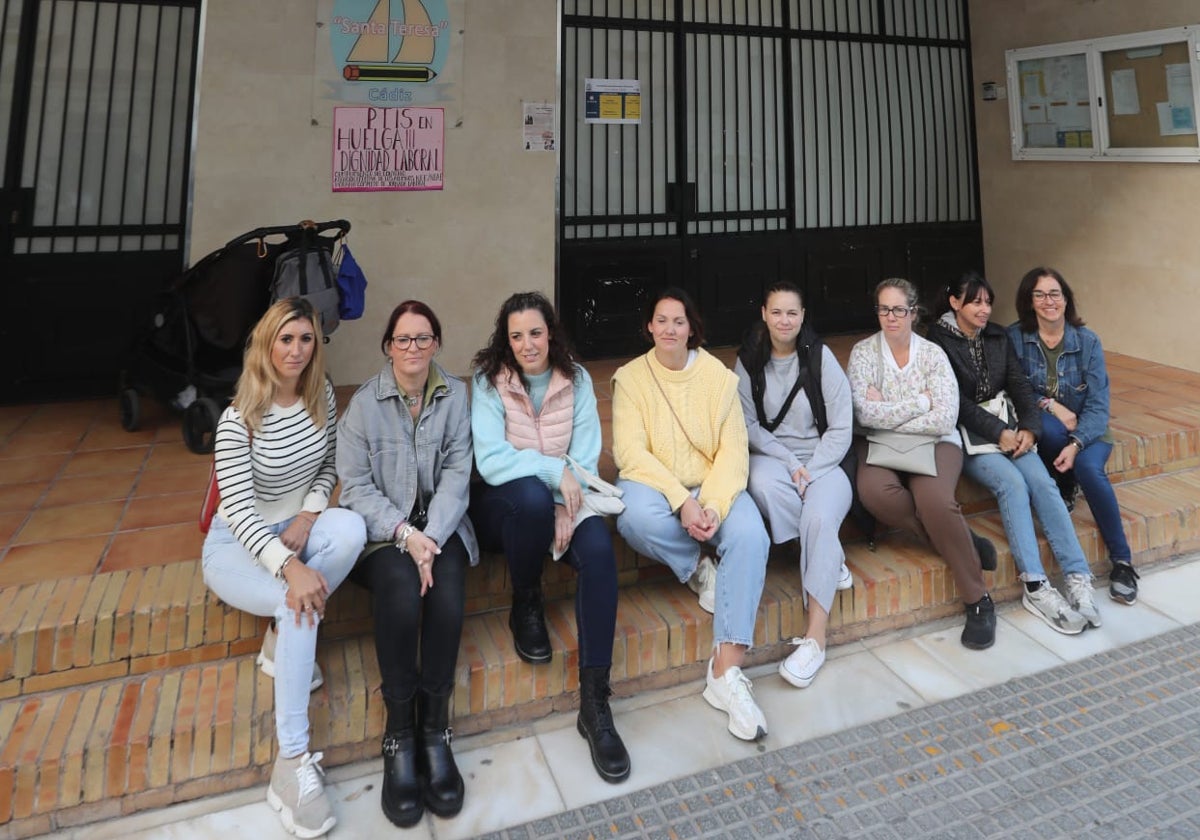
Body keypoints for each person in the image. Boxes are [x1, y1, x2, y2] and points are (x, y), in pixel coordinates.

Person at [201, 298, 366, 839]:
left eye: (306, 339)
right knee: (294, 602)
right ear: (265, 344)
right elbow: (242, 515)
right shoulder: (238, 418)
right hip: (237, 547)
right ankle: (291, 764)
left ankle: (280, 642)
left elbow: (327, 467)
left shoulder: (320, 396)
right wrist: (290, 566)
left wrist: (308, 514)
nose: (296, 350)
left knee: (352, 530)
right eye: (286, 339)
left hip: (294, 526)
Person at [468, 291, 630, 783]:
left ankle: (594, 702)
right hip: (503, 506)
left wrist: (565, 495)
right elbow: (491, 460)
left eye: (535, 332)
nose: (527, 344)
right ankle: (526, 600)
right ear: (506, 338)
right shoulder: (488, 382)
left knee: (600, 554)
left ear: (551, 333)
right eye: (516, 335)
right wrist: (551, 477)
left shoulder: (576, 379)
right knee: (531, 501)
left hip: (565, 498)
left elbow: (586, 451)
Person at [337, 300, 477, 827]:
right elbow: (354, 487)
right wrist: (406, 535)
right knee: (399, 593)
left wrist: (432, 537)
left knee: (446, 594)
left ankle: (435, 729)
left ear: (436, 344)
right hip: (384, 537)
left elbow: (459, 472)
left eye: (423, 338)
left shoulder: (455, 396)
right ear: (387, 346)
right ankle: (399, 732)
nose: (413, 348)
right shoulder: (364, 406)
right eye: (403, 339)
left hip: (441, 533)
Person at [611, 287, 771, 741]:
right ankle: (700, 570)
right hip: (662, 486)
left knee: (750, 537)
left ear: (691, 327)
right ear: (649, 326)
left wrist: (715, 505)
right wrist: (682, 501)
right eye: (660, 320)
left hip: (712, 485)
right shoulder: (630, 378)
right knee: (633, 516)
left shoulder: (718, 379)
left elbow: (734, 453)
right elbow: (630, 454)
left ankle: (725, 672)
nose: (668, 329)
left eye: (678, 321)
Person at [928, 272, 1100, 634]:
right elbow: (954, 402)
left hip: (1011, 428)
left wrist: (1029, 429)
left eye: (988, 302)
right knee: (1013, 486)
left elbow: (1020, 385)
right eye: (975, 301)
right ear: (955, 303)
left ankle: (1077, 575)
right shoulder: (937, 343)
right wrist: (998, 433)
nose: (984, 309)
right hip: (971, 437)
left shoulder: (997, 336)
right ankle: (1035, 585)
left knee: (1044, 484)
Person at [847, 279, 997, 650]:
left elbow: (945, 419)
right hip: (881, 445)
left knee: (935, 502)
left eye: (899, 309)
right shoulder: (863, 353)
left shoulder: (932, 354)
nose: (891, 317)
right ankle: (960, 538)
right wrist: (919, 403)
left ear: (914, 312)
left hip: (936, 444)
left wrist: (888, 411)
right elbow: (862, 416)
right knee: (874, 492)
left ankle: (978, 600)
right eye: (884, 309)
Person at [734, 281, 854, 687]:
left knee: (821, 517)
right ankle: (826, 556)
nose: (784, 320)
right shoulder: (749, 361)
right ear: (764, 315)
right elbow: (747, 425)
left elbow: (842, 426)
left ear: (803, 317)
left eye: (792, 313)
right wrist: (788, 462)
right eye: (776, 312)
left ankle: (815, 640)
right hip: (773, 459)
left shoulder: (821, 358)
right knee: (762, 484)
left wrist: (813, 469)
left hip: (825, 460)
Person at [1007, 267, 1138, 605]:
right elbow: (1016, 389)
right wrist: (1051, 405)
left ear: (1066, 299)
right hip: (1052, 427)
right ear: (1029, 301)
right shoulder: (1016, 338)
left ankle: (1122, 562)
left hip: (1091, 432)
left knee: (1091, 471)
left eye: (1055, 294)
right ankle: (1065, 484)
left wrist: (1078, 443)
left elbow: (1098, 404)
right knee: (1047, 428)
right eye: (1040, 294)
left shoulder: (1088, 341)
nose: (1048, 301)